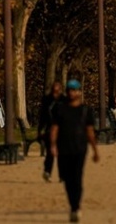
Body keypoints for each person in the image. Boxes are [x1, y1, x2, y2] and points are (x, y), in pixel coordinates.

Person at [49, 79, 99, 223]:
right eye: (70, 90)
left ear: (79, 92)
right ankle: (73, 204)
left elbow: (90, 131)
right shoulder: (61, 110)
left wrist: (95, 150)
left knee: (77, 177)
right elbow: (54, 128)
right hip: (64, 148)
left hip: (80, 148)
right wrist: (53, 145)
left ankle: (75, 207)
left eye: (75, 89)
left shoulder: (85, 110)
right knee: (67, 178)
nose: (72, 92)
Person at [37, 81, 63, 181]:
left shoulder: (63, 100)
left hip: (62, 130)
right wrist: (40, 130)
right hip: (50, 129)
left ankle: (62, 175)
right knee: (50, 152)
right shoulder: (47, 100)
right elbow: (43, 116)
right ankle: (47, 171)